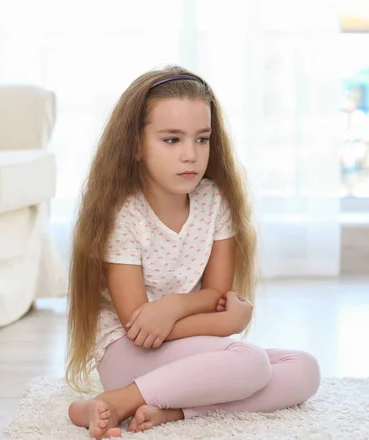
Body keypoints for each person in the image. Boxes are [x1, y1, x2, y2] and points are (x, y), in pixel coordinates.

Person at [65, 65, 321, 439]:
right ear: (136, 145)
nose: (191, 155)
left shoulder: (215, 202)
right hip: (128, 356)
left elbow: (215, 294)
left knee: (304, 369)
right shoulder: (124, 215)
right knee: (249, 362)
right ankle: (122, 397)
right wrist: (227, 324)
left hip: (186, 348)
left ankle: (175, 412)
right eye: (172, 140)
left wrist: (172, 306)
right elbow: (140, 328)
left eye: (202, 139)